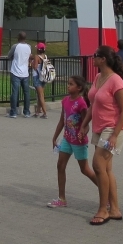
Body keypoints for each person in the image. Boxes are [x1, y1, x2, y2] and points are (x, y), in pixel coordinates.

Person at [79, 45, 123, 226]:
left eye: (95, 56)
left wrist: (115, 135)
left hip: (113, 128)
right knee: (106, 169)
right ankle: (115, 209)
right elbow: (92, 104)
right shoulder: (99, 77)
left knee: (98, 164)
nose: (93, 58)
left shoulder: (116, 81)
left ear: (103, 59)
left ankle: (103, 209)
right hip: (99, 127)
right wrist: (84, 125)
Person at [47, 75, 97, 208]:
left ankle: (105, 190)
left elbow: (86, 123)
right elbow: (62, 121)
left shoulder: (81, 103)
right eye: (68, 83)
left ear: (79, 88)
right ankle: (61, 198)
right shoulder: (65, 101)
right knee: (60, 166)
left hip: (79, 142)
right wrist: (55, 136)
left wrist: (83, 132)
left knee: (85, 169)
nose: (68, 86)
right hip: (67, 139)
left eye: (71, 84)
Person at [7, 32, 32, 119]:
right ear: (25, 38)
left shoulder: (15, 46)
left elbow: (9, 56)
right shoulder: (29, 47)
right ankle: (27, 112)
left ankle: (13, 112)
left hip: (15, 71)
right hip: (25, 72)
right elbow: (29, 57)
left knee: (15, 92)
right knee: (26, 93)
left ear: (18, 37)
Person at [30, 42, 49, 118]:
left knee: (41, 96)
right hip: (43, 77)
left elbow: (34, 67)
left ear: (38, 49)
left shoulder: (36, 57)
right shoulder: (45, 56)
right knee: (39, 95)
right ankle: (37, 112)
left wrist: (31, 62)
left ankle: (45, 113)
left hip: (37, 77)